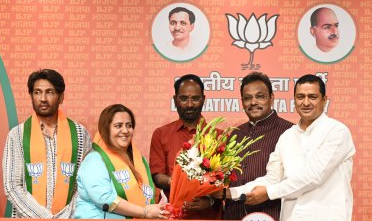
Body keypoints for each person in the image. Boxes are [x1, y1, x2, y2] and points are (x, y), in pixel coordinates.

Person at [227, 74, 355, 221]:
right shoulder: (287, 136)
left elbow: (314, 176)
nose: (306, 103)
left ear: (324, 100)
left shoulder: (337, 131)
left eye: (312, 97)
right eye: (300, 97)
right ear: (294, 100)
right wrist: (231, 193)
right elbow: (272, 178)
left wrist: (269, 193)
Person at [2, 69, 91, 218]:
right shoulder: (17, 135)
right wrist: (45, 218)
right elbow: (11, 186)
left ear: (61, 97)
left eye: (49, 92)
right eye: (37, 92)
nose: (43, 98)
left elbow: (86, 184)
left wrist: (64, 217)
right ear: (31, 96)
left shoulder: (80, 134)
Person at [75, 104, 168, 219]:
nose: (125, 131)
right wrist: (144, 212)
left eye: (129, 125)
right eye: (118, 126)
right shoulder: (95, 160)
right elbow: (105, 200)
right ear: (106, 129)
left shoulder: (140, 161)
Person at [149, 74, 222, 219]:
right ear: (175, 100)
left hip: (208, 215)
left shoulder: (218, 137)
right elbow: (156, 175)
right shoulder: (161, 134)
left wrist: (210, 200)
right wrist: (177, 182)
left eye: (195, 98)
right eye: (183, 98)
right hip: (171, 214)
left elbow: (224, 181)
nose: (189, 104)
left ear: (203, 99)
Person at [223, 72, 293, 220]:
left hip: (270, 214)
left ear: (271, 98)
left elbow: (293, 182)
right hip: (233, 215)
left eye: (260, 96)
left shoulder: (289, 132)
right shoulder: (236, 134)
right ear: (242, 101)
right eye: (247, 98)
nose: (253, 102)